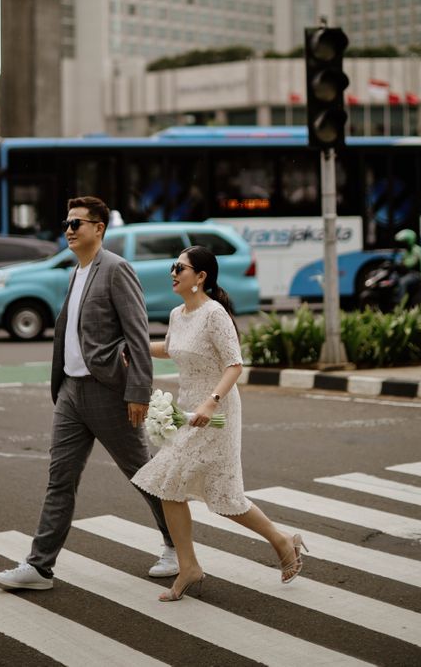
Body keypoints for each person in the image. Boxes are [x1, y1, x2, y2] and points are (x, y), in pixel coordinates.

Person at [0, 196, 177, 591]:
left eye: (78, 223)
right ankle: (40, 567)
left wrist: (138, 391)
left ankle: (178, 545)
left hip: (108, 390)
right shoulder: (78, 272)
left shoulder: (115, 269)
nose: (70, 229)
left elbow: (138, 337)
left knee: (142, 473)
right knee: (60, 479)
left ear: (99, 229)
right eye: (67, 223)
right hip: (72, 392)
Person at [132, 246, 306, 603]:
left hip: (216, 413)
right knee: (177, 488)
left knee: (198, 488)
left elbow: (234, 364)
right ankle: (193, 564)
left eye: (179, 267)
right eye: (173, 266)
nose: (173, 273)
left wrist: (211, 403)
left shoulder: (215, 315)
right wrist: (134, 347)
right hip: (187, 412)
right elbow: (171, 347)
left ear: (201, 277)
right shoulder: (179, 314)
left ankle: (278, 541)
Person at [393, 227, 421, 304]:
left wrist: (402, 264)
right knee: (393, 278)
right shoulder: (407, 251)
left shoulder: (416, 250)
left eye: (404, 242)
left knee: (403, 282)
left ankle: (400, 303)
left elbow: (411, 263)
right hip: (408, 273)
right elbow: (402, 260)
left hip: (416, 274)